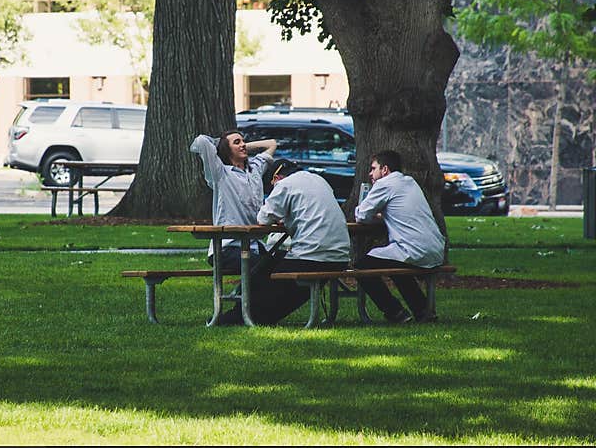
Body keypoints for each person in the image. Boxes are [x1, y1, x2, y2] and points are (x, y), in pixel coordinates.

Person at [190, 130, 276, 324]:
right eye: (237, 142)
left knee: (279, 266)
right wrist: (222, 144)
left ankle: (256, 313)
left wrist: (244, 145)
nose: (243, 144)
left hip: (253, 246)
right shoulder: (220, 173)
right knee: (262, 268)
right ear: (226, 149)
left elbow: (271, 143)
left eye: (243, 141)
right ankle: (239, 315)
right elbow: (201, 142)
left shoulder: (255, 168)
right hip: (226, 249)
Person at [252, 159, 351, 324]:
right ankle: (252, 315)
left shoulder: (284, 185)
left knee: (262, 273)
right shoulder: (320, 180)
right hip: (340, 257)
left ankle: (243, 315)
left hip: (311, 256)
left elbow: (263, 218)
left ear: (276, 179)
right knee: (274, 265)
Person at [354, 150, 445, 323]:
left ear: (385, 170)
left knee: (362, 266)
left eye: (373, 169)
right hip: (435, 248)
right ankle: (423, 311)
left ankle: (395, 312)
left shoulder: (384, 184)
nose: (370, 173)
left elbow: (362, 216)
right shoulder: (409, 182)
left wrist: (368, 210)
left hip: (413, 248)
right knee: (396, 264)